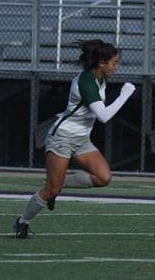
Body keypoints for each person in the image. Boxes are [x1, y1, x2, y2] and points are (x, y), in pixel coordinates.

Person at [12, 39, 136, 239]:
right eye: (114, 63)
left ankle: (58, 183)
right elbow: (103, 116)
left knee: (103, 177)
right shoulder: (86, 81)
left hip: (81, 139)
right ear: (101, 64)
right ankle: (22, 222)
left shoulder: (100, 79)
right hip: (62, 138)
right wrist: (124, 95)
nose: (117, 67)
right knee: (51, 189)